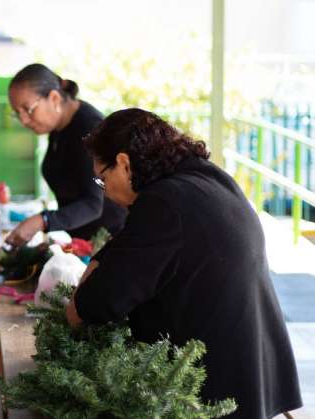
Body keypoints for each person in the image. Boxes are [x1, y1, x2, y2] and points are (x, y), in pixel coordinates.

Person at [66, 108, 302, 418]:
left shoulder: (164, 204)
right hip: (253, 368)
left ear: (123, 163)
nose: (106, 192)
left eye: (102, 179)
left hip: (210, 392)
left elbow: (99, 302)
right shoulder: (204, 177)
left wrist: (77, 305)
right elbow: (130, 248)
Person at [5, 64, 126, 245]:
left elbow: (93, 204)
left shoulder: (89, 130)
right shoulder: (59, 126)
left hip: (109, 242)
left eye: (28, 109)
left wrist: (43, 221)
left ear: (54, 98)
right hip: (81, 241)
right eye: (17, 113)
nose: (23, 120)